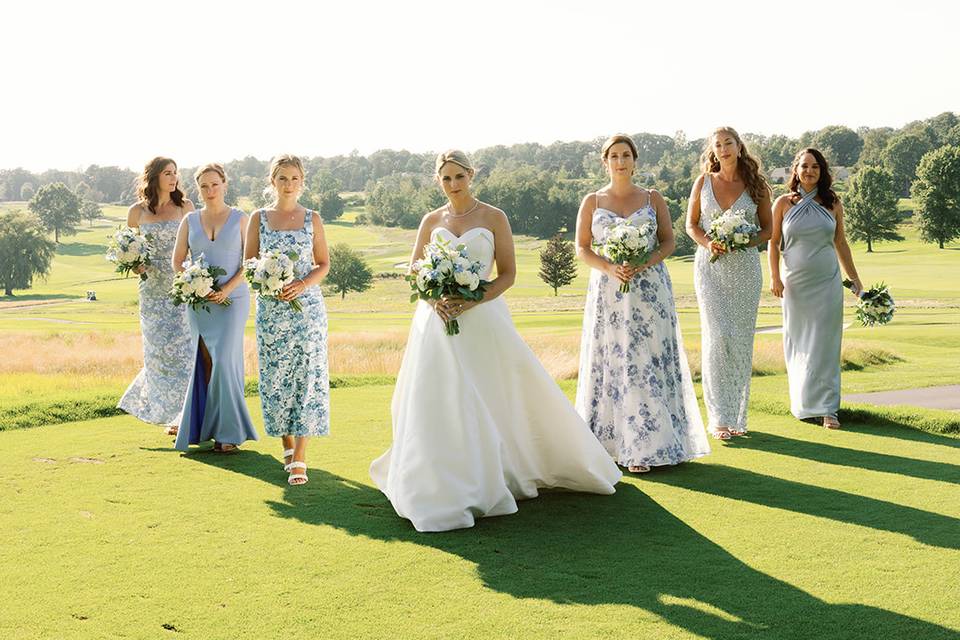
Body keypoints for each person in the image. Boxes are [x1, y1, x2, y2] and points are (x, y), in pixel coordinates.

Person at [370, 149, 621, 532]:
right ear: (439, 181)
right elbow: (415, 271)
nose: (453, 184)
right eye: (446, 178)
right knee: (438, 398)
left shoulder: (493, 217)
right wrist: (435, 297)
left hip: (482, 317)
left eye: (459, 176)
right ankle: (438, 478)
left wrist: (472, 299)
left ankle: (500, 470)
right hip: (436, 323)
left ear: (471, 175)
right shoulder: (431, 220)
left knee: (492, 394)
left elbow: (507, 275)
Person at [575, 134, 709, 473]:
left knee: (646, 359)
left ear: (635, 161)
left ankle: (650, 444)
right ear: (605, 162)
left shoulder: (653, 198)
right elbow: (582, 248)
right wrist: (610, 267)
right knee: (613, 360)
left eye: (626, 155)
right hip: (609, 292)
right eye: (614, 156)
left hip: (649, 291)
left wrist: (644, 263)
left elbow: (668, 241)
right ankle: (612, 444)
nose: (620, 161)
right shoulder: (592, 201)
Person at [245, 155, 330, 486]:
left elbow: (323, 264)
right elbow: (249, 263)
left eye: (295, 178)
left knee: (307, 377)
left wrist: (301, 284)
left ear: (302, 182)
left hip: (307, 308)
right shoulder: (259, 218)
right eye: (283, 178)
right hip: (271, 310)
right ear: (272, 181)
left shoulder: (313, 219)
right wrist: (269, 281)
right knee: (276, 377)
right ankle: (286, 443)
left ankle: (301, 456)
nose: (289, 184)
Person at [685, 127, 772, 439]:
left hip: (746, 270)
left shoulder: (756, 185)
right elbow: (691, 225)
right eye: (717, 144)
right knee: (717, 337)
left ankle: (735, 416)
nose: (722, 149)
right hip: (710, 269)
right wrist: (710, 243)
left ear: (738, 147)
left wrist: (743, 240)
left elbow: (768, 230)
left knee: (739, 341)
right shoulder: (703, 182)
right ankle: (718, 417)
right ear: (713, 150)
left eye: (728, 143)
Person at [769, 148, 863, 429]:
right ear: (795, 170)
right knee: (798, 341)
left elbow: (841, 243)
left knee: (825, 344)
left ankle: (827, 409)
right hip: (795, 284)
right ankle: (803, 404)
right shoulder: (783, 203)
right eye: (804, 166)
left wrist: (855, 280)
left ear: (822, 172)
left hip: (827, 283)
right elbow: (773, 243)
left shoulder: (833, 203)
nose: (809, 171)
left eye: (815, 167)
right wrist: (775, 277)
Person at [172, 164, 257, 451]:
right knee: (206, 361)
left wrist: (226, 289)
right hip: (199, 303)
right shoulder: (190, 220)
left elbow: (250, 262)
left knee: (225, 361)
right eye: (204, 186)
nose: (210, 191)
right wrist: (192, 283)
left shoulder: (241, 219)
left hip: (233, 301)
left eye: (215, 185)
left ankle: (228, 433)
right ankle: (204, 428)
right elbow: (178, 260)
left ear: (224, 185)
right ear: (199, 189)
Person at [117, 157, 194, 435]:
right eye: (167, 173)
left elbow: (193, 248)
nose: (173, 178)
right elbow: (128, 248)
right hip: (151, 291)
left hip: (180, 288)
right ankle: (163, 412)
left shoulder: (186, 207)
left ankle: (183, 417)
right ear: (154, 177)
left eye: (176, 173)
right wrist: (133, 264)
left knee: (185, 354)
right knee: (157, 354)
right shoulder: (136, 212)